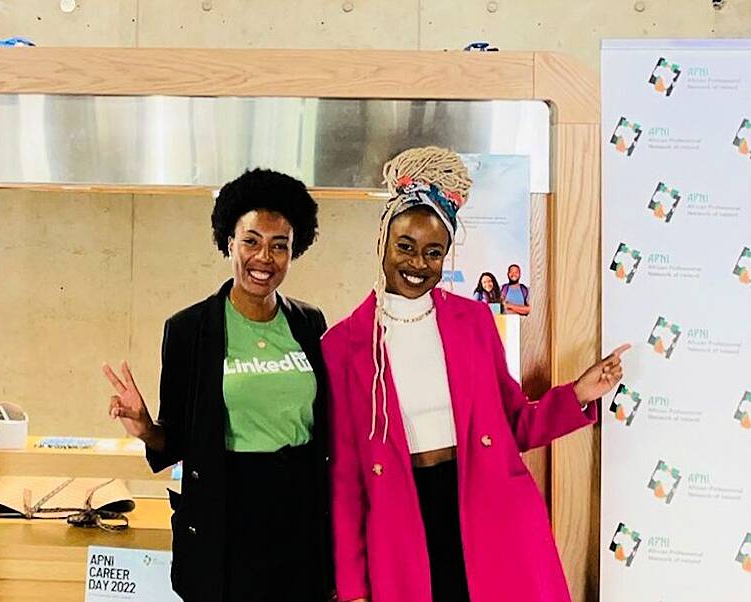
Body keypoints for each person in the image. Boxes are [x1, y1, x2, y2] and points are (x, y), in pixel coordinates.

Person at [323, 146, 629, 602]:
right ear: (383, 240)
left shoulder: (473, 322)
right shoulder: (343, 345)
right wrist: (352, 589)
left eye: (433, 252)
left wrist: (578, 394)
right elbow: (346, 479)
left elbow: (513, 425)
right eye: (405, 246)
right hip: (402, 521)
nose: (416, 264)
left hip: (489, 510)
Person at [102, 168, 332, 602]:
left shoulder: (309, 323)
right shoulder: (190, 329)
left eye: (279, 245)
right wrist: (145, 426)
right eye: (251, 241)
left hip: (301, 515)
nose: (264, 257)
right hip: (227, 515)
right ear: (229, 241)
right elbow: (175, 441)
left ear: (293, 251)